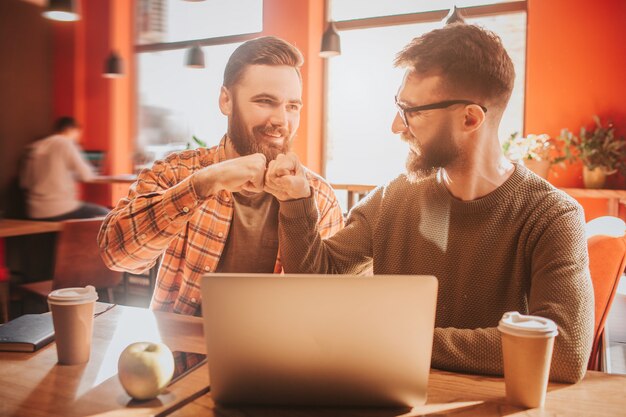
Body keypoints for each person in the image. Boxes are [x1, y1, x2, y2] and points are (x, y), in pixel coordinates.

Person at [264, 24, 593, 383]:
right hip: (392, 397)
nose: (395, 126)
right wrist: (295, 200)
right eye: (398, 107)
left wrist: (401, 339)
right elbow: (315, 280)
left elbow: (564, 351)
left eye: (412, 111)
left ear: (470, 118)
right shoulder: (394, 197)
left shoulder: (552, 216)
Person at [98, 36, 344, 316]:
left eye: (292, 106)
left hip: (278, 355)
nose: (281, 120)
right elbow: (117, 255)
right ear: (226, 100)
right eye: (265, 101)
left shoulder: (318, 196)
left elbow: (327, 304)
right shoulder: (178, 172)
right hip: (181, 353)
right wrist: (203, 184)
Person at [20, 116, 110, 220]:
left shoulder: (35, 147)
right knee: (106, 215)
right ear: (71, 130)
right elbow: (87, 175)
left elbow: (25, 183)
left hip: (34, 210)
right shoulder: (65, 143)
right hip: (59, 208)